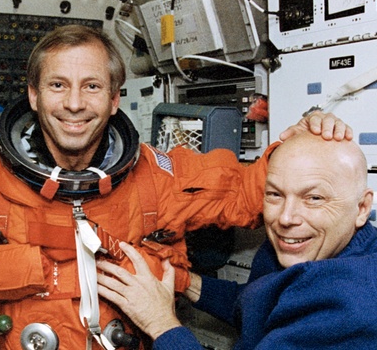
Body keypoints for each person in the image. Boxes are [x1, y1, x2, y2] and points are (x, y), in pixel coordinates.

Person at [0, 25, 351, 350]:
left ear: (114, 98)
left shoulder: (162, 177)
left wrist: (306, 142)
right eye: (57, 85)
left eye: (91, 87)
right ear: (32, 95)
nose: (74, 104)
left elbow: (255, 192)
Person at [97, 131, 377, 349]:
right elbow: (259, 303)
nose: (286, 218)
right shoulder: (313, 245)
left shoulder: (350, 308)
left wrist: (160, 323)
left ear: (362, 208)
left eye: (314, 198)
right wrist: (181, 280)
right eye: (275, 195)